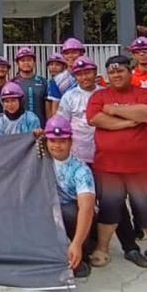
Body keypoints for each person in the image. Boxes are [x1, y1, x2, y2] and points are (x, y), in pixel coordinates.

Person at [86, 54, 147, 278]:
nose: (116, 75)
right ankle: (102, 249)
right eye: (112, 72)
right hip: (108, 165)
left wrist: (114, 109)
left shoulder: (145, 93)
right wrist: (129, 122)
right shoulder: (100, 96)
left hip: (143, 167)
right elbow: (95, 119)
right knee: (109, 209)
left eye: (120, 71)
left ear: (130, 71)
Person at [58, 55, 146, 265]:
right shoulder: (69, 97)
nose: (84, 77)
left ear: (95, 72)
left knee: (115, 203)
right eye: (79, 73)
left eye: (88, 72)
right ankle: (91, 246)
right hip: (79, 160)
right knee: (80, 206)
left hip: (106, 158)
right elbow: (61, 124)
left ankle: (130, 247)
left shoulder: (107, 95)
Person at [43, 115, 96, 278]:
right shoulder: (41, 158)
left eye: (62, 141)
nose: (56, 146)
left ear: (70, 142)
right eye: (52, 141)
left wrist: (77, 244)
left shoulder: (81, 170)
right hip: (50, 211)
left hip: (74, 218)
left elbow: (86, 208)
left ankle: (81, 256)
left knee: (70, 211)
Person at [12, 46, 50, 127]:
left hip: (40, 129)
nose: (26, 63)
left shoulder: (44, 82)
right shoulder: (12, 84)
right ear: (17, 63)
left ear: (34, 62)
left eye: (29, 60)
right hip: (19, 130)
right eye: (22, 60)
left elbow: (48, 109)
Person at [46, 50, 76, 115]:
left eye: (57, 65)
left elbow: (55, 103)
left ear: (63, 67)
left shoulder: (57, 80)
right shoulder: (50, 81)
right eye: (51, 64)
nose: (54, 67)